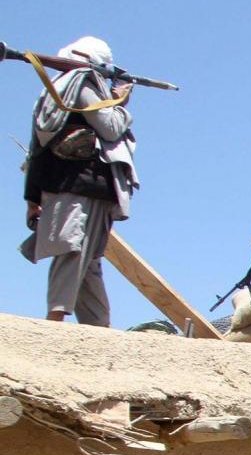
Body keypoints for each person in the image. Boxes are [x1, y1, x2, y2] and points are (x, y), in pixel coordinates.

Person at [20, 36, 137, 327]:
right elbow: (110, 127)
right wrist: (122, 103)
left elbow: (37, 151)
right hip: (83, 184)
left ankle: (98, 326)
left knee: (88, 258)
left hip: (68, 185)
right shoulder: (82, 84)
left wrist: (32, 198)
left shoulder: (55, 90)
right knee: (72, 250)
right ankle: (55, 320)